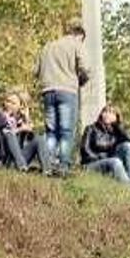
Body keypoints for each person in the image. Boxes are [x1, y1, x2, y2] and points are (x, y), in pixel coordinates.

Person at [33, 18, 90, 175]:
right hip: (67, 91)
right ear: (80, 34)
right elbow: (86, 68)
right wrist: (81, 81)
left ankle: (48, 164)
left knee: (51, 131)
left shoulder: (48, 46)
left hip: (48, 91)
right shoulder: (76, 44)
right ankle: (63, 166)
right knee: (66, 131)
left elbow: (35, 70)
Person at [80, 104, 130, 185]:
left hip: (112, 163)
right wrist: (102, 157)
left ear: (116, 117)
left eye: (111, 113)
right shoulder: (91, 129)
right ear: (101, 114)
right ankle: (129, 188)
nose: (107, 115)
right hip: (92, 164)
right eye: (105, 111)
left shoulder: (116, 131)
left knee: (128, 146)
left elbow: (129, 140)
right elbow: (85, 150)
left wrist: (118, 125)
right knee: (115, 161)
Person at [0, 91, 51, 173]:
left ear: (20, 106)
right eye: (8, 101)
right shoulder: (0, 116)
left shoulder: (19, 120)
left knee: (39, 139)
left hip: (18, 158)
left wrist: (26, 117)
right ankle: (22, 167)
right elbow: (5, 133)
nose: (9, 105)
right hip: (5, 160)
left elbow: (31, 134)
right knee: (10, 135)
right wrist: (20, 129)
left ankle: (47, 170)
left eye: (13, 103)